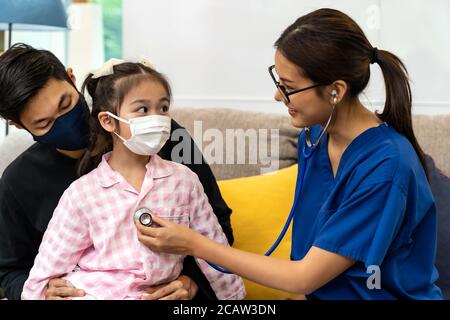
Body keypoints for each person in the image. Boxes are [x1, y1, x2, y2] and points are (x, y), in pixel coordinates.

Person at [135, 8, 443, 299]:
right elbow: (306, 266)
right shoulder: (315, 135)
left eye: (288, 87)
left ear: (336, 90)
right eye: (278, 82)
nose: (277, 95)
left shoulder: (385, 168)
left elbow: (305, 276)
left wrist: (194, 243)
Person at [0, 44, 234, 300]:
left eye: (65, 103)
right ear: (19, 125)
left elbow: (217, 227)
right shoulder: (18, 182)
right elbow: (10, 270)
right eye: (44, 123)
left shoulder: (155, 134)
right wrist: (42, 290)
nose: (64, 120)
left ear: (71, 77)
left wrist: (192, 281)